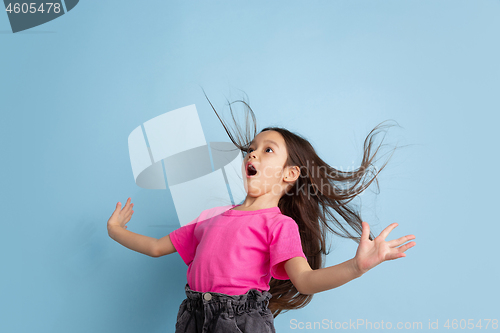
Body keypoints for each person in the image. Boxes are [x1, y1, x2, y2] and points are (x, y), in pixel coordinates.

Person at [107, 95, 416, 333]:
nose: (252, 153)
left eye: (268, 149)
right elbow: (156, 247)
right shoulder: (210, 217)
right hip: (192, 316)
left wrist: (357, 266)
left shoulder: (279, 226)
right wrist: (116, 230)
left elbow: (305, 281)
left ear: (290, 174)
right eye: (252, 148)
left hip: (240, 322)